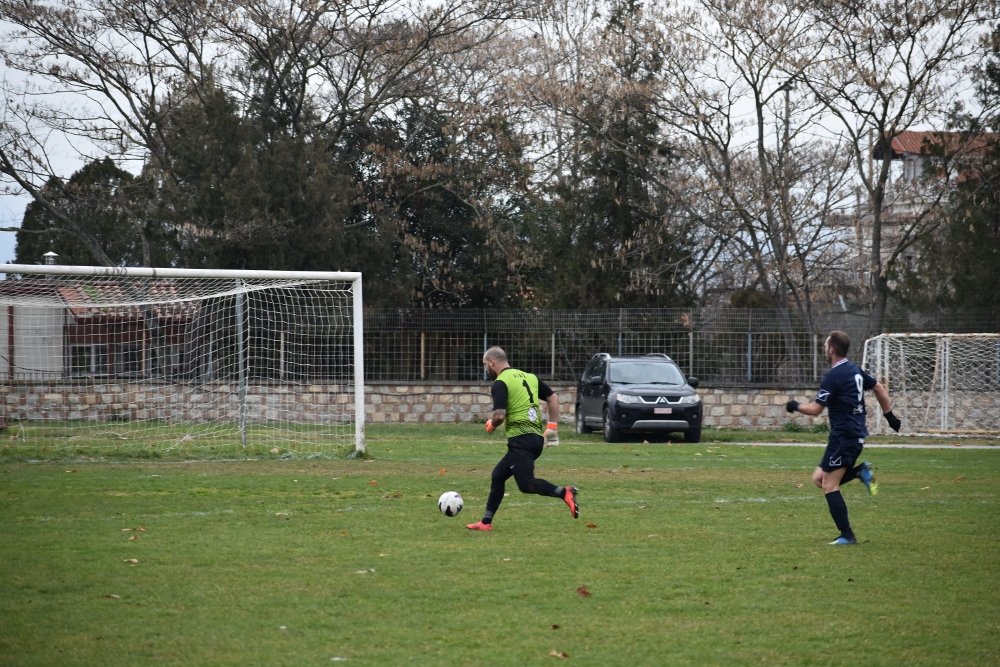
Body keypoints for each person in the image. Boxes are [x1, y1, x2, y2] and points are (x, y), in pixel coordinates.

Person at [786, 330, 901, 545]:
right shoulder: (855, 370)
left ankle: (847, 535)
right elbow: (878, 387)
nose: (824, 348)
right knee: (819, 479)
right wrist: (890, 416)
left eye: (826, 344)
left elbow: (815, 409)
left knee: (830, 485)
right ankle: (859, 472)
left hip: (844, 436)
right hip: (849, 435)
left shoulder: (834, 376)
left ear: (832, 349)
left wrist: (795, 406)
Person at [466, 346, 579, 531]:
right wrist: (552, 426)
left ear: (492, 362)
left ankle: (564, 492)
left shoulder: (501, 382)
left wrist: (491, 425)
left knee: (526, 484)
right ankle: (486, 522)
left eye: (485, 365)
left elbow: (500, 415)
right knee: (498, 476)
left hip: (521, 439)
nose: (486, 369)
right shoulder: (530, 377)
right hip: (535, 439)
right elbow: (553, 397)